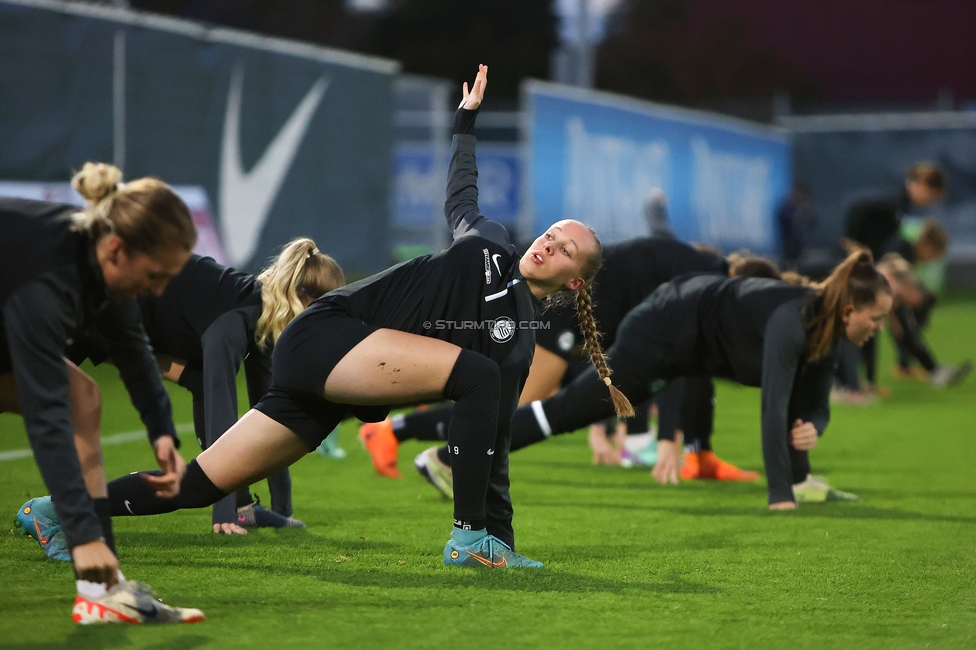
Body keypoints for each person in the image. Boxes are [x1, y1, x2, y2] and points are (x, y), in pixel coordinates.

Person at [55, 65, 631, 569]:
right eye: (551, 233)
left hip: (339, 373)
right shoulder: (491, 241)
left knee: (201, 485)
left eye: (564, 250)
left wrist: (505, 534)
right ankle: (467, 538)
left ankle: (60, 511)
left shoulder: (519, 344)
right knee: (475, 378)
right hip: (326, 335)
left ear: (574, 280)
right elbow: (461, 195)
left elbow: (493, 442)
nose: (548, 245)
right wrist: (465, 120)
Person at [360, 240, 773, 489]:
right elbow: (678, 356)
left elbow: (678, 362)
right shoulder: (704, 279)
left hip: (582, 315)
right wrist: (667, 437)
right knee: (513, 402)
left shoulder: (694, 270)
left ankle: (401, 432)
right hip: (567, 310)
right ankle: (397, 431)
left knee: (515, 400)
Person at [502, 251, 892, 509]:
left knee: (565, 411)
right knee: (565, 412)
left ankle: (803, 478)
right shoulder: (793, 320)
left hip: (690, 350)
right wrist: (780, 497)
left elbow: (813, 406)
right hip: (661, 328)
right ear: (848, 310)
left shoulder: (828, 335)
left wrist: (814, 428)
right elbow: (773, 406)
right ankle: (458, 453)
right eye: (875, 318)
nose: (878, 328)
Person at [3, 163, 203, 624]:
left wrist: (163, 436)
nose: (160, 289)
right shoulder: (47, 286)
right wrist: (81, 531)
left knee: (84, 399)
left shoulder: (97, 265)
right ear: (116, 250)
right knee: (66, 402)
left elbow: (134, 353)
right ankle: (93, 567)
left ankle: (100, 593)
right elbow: (45, 416)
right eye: (156, 275)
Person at [57, 239, 345, 536]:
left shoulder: (265, 320)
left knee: (198, 380)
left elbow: (274, 414)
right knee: (24, 390)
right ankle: (57, 508)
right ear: (300, 296)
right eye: (322, 307)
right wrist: (222, 511)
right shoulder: (234, 317)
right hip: (93, 310)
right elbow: (220, 405)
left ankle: (245, 508)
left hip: (132, 323)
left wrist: (284, 509)